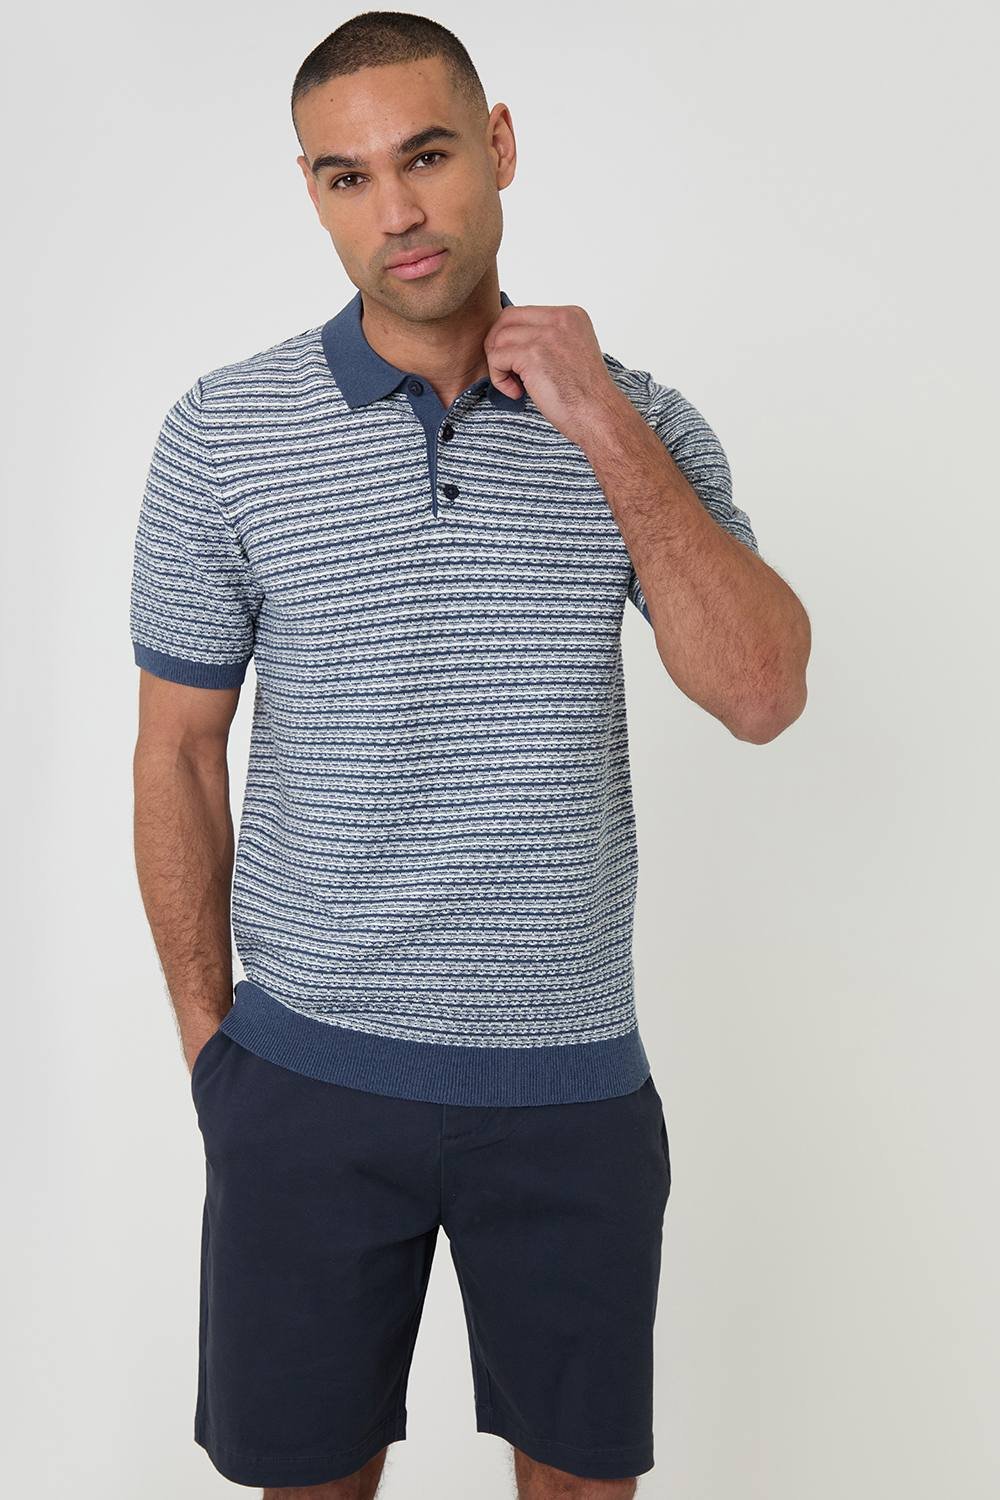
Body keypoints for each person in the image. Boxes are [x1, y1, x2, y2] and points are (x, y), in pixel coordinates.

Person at [129, 11, 810, 1498]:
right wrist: (212, 1052)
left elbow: (762, 693)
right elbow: (177, 749)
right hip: (304, 1082)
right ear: (313, 194)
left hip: (569, 1090)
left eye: (427, 155)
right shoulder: (224, 436)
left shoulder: (642, 423)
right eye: (348, 176)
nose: (398, 209)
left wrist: (598, 420)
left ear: (497, 147)